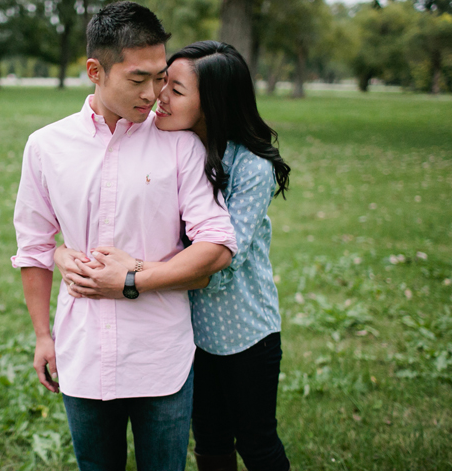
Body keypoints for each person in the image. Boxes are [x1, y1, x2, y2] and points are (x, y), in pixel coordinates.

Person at [11, 3, 237, 471]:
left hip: (161, 356)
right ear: (96, 70)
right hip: (83, 351)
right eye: (138, 80)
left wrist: (130, 280)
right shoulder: (46, 146)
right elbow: (33, 246)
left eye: (160, 78)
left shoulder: (180, 144)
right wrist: (42, 335)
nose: (154, 94)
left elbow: (217, 245)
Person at [58, 41, 292, 471]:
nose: (158, 96)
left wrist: (133, 272)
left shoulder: (250, 166)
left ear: (213, 103)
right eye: (163, 80)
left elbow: (220, 266)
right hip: (185, 334)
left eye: (176, 90)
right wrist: (62, 251)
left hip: (243, 334)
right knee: (210, 440)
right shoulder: (179, 147)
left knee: (256, 441)